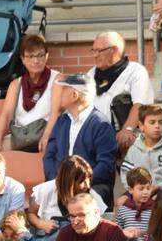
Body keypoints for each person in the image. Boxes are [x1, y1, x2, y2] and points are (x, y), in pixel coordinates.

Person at [42, 74, 119, 203]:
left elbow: (105, 165)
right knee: (38, 199)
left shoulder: (101, 125)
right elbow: (49, 156)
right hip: (59, 185)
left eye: (63, 90)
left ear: (74, 96)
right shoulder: (61, 122)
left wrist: (79, 182)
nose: (59, 94)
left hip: (91, 187)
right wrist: (58, 181)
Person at [0, 34, 60, 152]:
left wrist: (46, 136)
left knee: (49, 145)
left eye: (40, 55)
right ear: (23, 59)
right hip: (21, 136)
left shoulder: (57, 79)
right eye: (30, 56)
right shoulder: (15, 84)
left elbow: (56, 112)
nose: (36, 61)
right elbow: (6, 115)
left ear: (47, 56)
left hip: (45, 133)